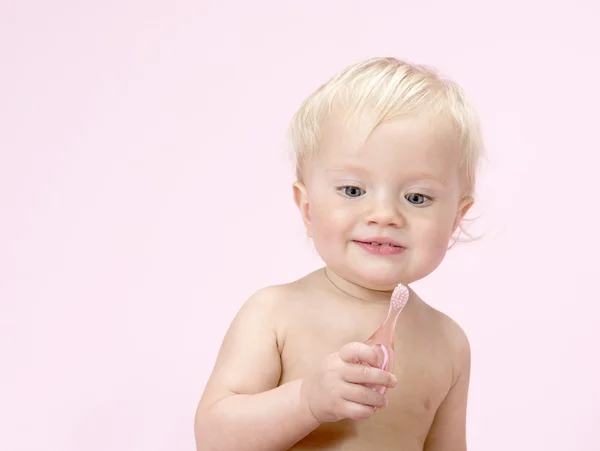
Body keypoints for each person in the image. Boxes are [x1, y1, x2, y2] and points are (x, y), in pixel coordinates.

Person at [194, 56, 484, 451]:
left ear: (455, 218)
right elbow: (214, 439)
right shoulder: (275, 312)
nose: (384, 215)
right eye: (353, 191)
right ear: (308, 207)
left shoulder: (448, 343)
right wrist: (306, 400)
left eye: (417, 197)